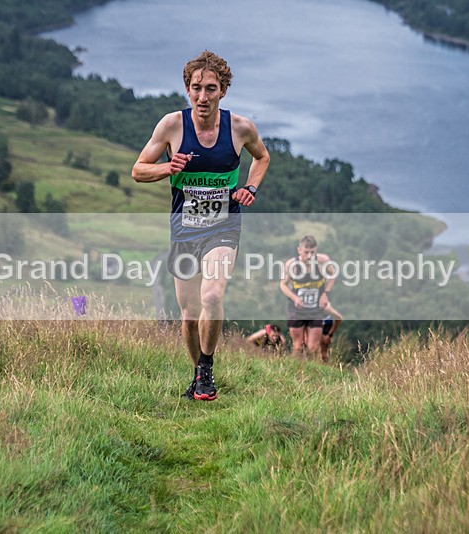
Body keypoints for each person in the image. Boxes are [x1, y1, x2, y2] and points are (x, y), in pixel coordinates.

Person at [132, 50, 270, 401]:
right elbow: (138, 170)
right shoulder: (171, 126)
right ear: (187, 89)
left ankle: (206, 369)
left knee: (211, 295)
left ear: (223, 90)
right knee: (189, 311)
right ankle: (199, 375)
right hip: (183, 230)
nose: (202, 97)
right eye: (196, 88)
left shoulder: (240, 128)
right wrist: (167, 168)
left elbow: (262, 156)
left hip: (223, 226)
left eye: (211, 88)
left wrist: (250, 187)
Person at [279, 235, 335, 359]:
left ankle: (310, 374)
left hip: (315, 309)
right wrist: (295, 298)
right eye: (306, 252)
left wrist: (325, 294)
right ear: (299, 250)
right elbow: (283, 284)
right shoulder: (292, 265)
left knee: (312, 348)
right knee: (298, 346)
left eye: (312, 252)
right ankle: (295, 372)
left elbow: (332, 275)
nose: (309, 256)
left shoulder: (322, 261)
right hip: (296, 310)